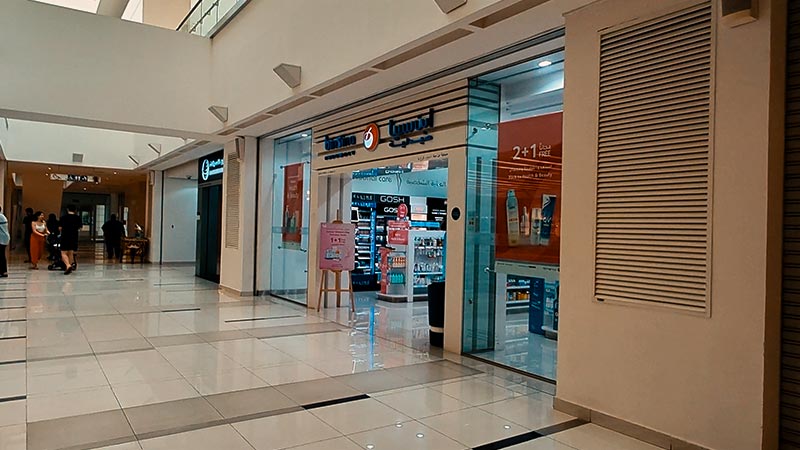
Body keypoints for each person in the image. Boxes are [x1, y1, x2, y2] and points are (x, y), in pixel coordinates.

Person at [59, 205, 82, 275]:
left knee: (63, 252)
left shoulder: (63, 218)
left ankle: (68, 265)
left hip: (65, 236)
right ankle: (70, 265)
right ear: (75, 210)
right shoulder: (78, 218)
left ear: (67, 209)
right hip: (74, 237)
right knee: (71, 252)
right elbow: (80, 228)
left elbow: (60, 228)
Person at [0, 207, 9, 278]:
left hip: (1, 239)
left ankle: (3, 271)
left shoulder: (0, 216)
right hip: (4, 238)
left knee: (1, 256)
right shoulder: (2, 216)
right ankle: (3, 271)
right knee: (1, 255)